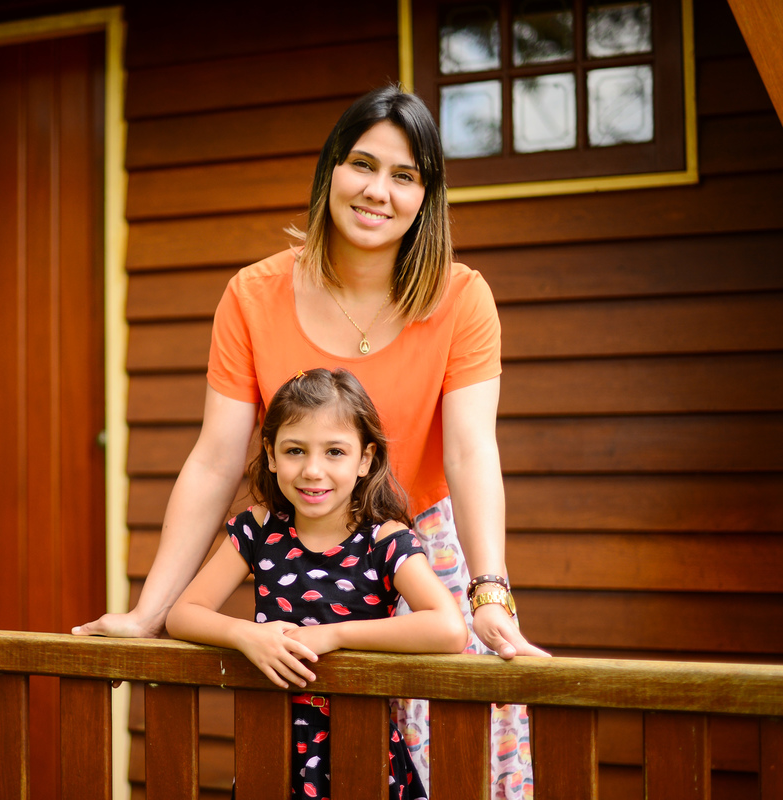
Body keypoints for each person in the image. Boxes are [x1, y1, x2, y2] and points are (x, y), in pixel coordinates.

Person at [74, 85, 548, 796]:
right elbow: (215, 459)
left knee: (463, 769)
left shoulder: (462, 297)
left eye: (405, 175)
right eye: (363, 164)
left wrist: (489, 592)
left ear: (427, 197)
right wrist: (148, 614)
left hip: (420, 551)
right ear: (331, 170)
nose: (378, 191)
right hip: (309, 555)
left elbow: (471, 451)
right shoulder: (252, 295)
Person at [167, 368, 467, 799]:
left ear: (364, 459)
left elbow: (449, 628)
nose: (312, 470)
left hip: (363, 754)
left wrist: (334, 636)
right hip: (270, 752)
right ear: (271, 454)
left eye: (334, 452)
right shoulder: (258, 530)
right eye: (295, 450)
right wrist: (245, 635)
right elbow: (183, 613)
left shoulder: (384, 540)